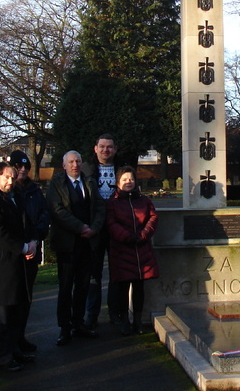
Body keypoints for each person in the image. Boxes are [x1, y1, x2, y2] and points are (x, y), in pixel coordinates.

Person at [0, 161, 36, 372]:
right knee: (2, 316)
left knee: (16, 314)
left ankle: (15, 352)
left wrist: (32, 242)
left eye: (13, 177)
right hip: (1, 267)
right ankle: (4, 358)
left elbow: (26, 223)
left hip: (17, 266)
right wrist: (23, 247)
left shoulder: (16, 196)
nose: (10, 181)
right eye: (7, 177)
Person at [46, 150, 105, 346]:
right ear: (64, 165)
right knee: (65, 287)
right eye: (71, 162)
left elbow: (99, 208)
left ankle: (78, 323)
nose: (75, 165)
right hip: (67, 245)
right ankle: (64, 328)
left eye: (78, 161)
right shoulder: (56, 184)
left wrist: (94, 229)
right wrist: (80, 227)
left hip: (87, 243)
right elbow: (57, 211)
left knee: (83, 285)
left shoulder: (89, 183)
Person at [106, 166, 159, 335]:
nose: (128, 182)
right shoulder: (112, 203)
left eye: (131, 179)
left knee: (139, 287)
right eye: (124, 180)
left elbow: (152, 217)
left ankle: (137, 320)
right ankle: (124, 320)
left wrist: (143, 235)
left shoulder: (144, 200)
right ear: (118, 183)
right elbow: (111, 224)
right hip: (122, 250)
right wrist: (128, 237)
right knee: (122, 287)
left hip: (141, 249)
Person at [9, 150, 51, 353]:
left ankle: (21, 337)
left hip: (32, 250)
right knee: (13, 299)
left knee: (27, 297)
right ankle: (12, 341)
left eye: (26, 167)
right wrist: (22, 245)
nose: (23, 170)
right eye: (19, 166)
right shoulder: (7, 192)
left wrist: (35, 240)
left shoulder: (35, 191)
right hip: (13, 254)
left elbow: (44, 215)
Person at [81, 133, 119, 329]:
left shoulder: (121, 170)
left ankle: (115, 314)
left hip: (116, 229)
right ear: (95, 148)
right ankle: (91, 317)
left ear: (115, 149)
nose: (106, 150)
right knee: (93, 275)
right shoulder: (85, 170)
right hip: (94, 230)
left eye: (109, 147)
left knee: (117, 274)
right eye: (102, 146)